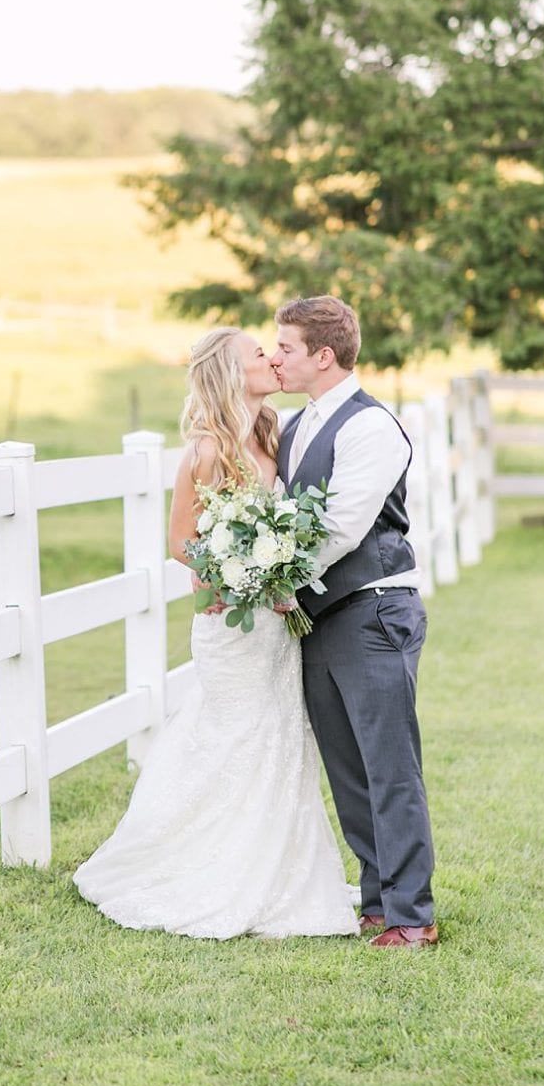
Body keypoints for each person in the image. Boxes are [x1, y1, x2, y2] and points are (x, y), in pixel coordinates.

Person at [73, 326, 359, 940]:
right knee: (233, 740)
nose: (273, 358)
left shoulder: (272, 432)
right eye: (260, 353)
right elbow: (181, 541)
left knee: (282, 738)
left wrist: (279, 571)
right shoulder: (206, 450)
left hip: (277, 629)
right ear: (232, 373)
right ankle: (199, 870)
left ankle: (284, 873)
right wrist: (241, 580)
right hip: (232, 627)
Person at [270, 295, 437, 949]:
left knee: (388, 765)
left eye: (285, 347)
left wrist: (274, 578)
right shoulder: (298, 426)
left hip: (372, 612)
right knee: (348, 766)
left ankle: (411, 915)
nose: (276, 357)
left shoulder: (371, 428)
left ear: (323, 354)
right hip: (320, 618)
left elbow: (341, 526)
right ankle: (376, 899)